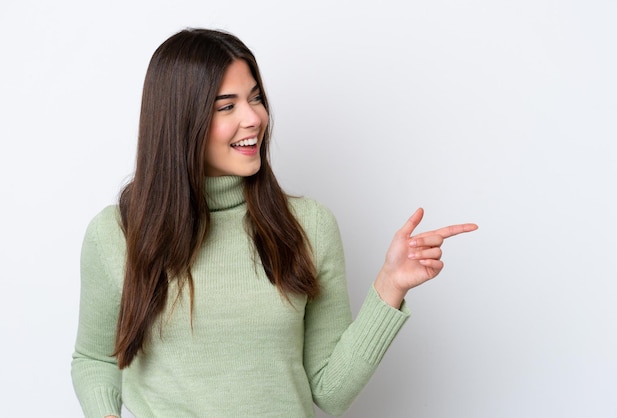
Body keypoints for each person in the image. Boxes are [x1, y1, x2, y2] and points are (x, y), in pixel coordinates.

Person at [71, 28, 478, 418]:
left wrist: (390, 286)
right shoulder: (116, 235)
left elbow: (330, 392)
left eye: (256, 98)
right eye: (227, 106)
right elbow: (94, 358)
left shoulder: (309, 226)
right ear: (180, 121)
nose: (254, 119)